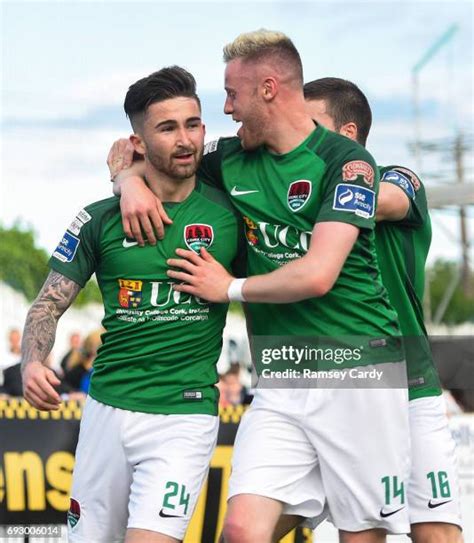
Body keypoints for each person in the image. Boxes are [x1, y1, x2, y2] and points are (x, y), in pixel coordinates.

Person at [110, 30, 411, 543]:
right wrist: (128, 185)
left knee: (361, 536)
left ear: (268, 89)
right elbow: (143, 155)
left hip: (357, 374)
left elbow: (318, 274)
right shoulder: (229, 158)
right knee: (240, 532)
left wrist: (228, 288)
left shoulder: (348, 163)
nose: (225, 110)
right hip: (282, 380)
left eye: (232, 94)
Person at [21, 66, 242, 543]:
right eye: (167, 128)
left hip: (185, 413)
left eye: (193, 124)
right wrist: (32, 361)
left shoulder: (229, 214)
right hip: (108, 411)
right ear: (137, 141)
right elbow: (46, 305)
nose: (186, 140)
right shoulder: (98, 219)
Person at [301, 78, 463, 542]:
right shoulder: (286, 190)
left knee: (435, 533)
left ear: (347, 135)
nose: (297, 140)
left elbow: (381, 201)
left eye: (310, 127)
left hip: (408, 383)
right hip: (324, 383)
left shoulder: (398, 178)